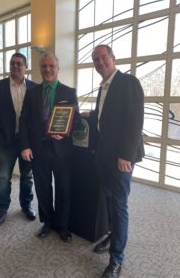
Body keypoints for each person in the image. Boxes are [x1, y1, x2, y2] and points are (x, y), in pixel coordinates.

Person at [82, 45, 144, 278]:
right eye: (96, 60)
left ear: (113, 58)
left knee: (119, 206)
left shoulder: (128, 82)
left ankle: (116, 259)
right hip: (104, 156)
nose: (100, 62)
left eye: (103, 58)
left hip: (121, 159)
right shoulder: (103, 87)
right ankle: (111, 235)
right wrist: (90, 114)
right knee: (109, 201)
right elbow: (106, 115)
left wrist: (125, 156)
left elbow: (135, 121)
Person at [19, 51, 79, 243]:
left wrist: (66, 130)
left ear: (58, 69)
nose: (47, 69)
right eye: (44, 66)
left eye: (51, 66)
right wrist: (25, 146)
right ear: (40, 69)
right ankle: (47, 222)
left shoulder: (69, 92)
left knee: (63, 188)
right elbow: (24, 121)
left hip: (62, 149)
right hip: (38, 149)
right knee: (43, 187)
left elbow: (75, 119)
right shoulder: (31, 93)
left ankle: (62, 225)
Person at [0, 52, 37, 226]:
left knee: (27, 176)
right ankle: (2, 209)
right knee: (4, 177)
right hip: (6, 141)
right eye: (12, 63)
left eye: (19, 64)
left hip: (28, 142)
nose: (15, 66)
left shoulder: (34, 88)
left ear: (25, 67)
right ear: (9, 66)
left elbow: (38, 115)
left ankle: (26, 206)